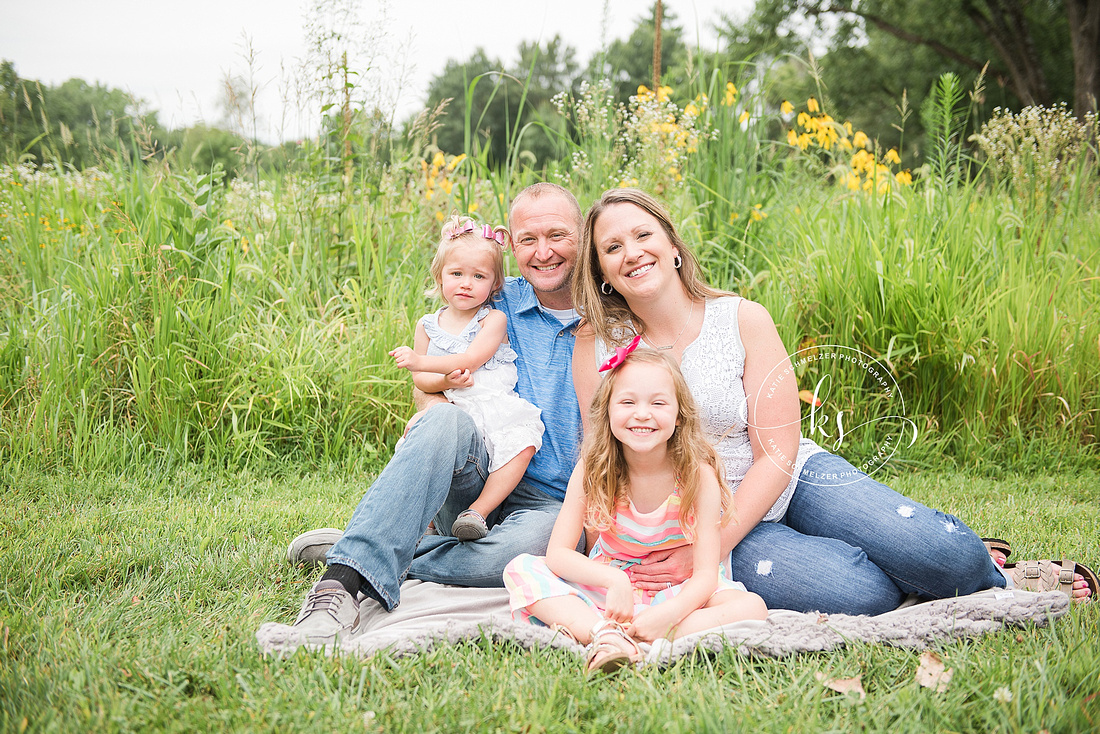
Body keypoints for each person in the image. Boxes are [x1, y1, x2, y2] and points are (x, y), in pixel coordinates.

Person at [571, 187, 1094, 616]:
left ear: (673, 244)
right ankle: (911, 567)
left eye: (643, 234)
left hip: (791, 479)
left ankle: (986, 569)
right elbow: (600, 458)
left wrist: (712, 549)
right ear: (601, 271)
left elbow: (777, 450)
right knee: (859, 595)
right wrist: (678, 548)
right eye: (612, 247)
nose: (631, 252)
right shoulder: (598, 344)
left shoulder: (742, 318)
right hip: (687, 515)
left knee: (943, 555)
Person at [257, 183, 585, 654]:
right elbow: (429, 376)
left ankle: (380, 549)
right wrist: (433, 411)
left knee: (525, 554)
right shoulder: (492, 296)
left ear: (583, 234)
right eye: (528, 239)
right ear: (510, 246)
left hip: (554, 504)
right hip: (476, 476)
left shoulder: (611, 313)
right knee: (445, 421)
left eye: (558, 235)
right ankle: (341, 586)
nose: (544, 251)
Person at [504, 345, 767, 673]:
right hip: (610, 587)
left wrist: (671, 613)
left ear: (679, 414)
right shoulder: (593, 468)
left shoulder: (698, 475)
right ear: (608, 410)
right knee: (520, 569)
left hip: (676, 589)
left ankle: (634, 639)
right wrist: (614, 581)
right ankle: (605, 634)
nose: (642, 413)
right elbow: (558, 554)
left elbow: (704, 573)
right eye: (628, 402)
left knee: (750, 607)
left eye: (658, 403)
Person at [389, 215, 544, 541]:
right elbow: (423, 383)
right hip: (455, 409)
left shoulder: (494, 320)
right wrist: (444, 381)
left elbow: (472, 359)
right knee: (421, 440)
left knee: (522, 440)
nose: (466, 283)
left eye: (478, 276)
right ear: (440, 276)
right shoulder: (428, 325)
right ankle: (419, 524)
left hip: (491, 406)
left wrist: (422, 361)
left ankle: (478, 511)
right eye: (456, 274)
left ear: (494, 284)